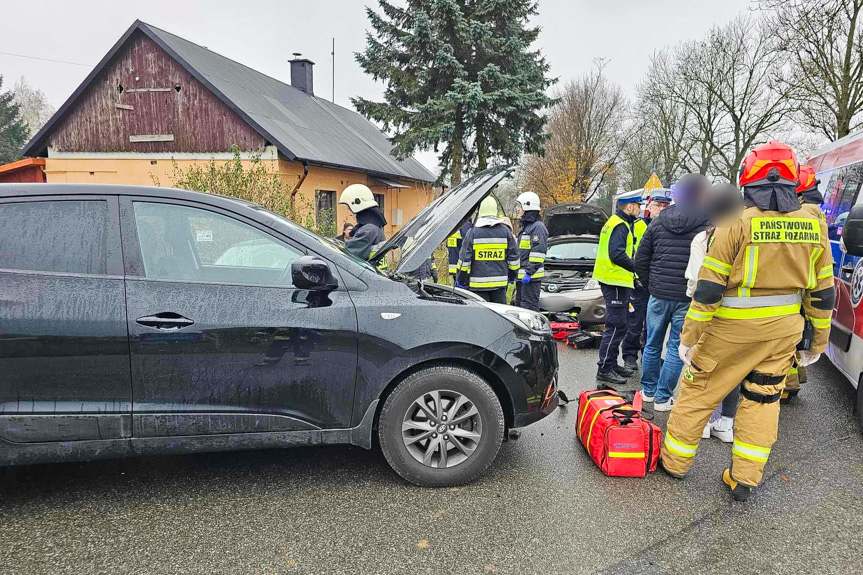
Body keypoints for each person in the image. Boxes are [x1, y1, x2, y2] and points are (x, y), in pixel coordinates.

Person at [661, 141, 834, 502]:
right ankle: (744, 478)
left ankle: (674, 464)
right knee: (762, 400)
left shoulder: (735, 223)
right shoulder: (814, 225)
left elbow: (708, 290)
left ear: (747, 179)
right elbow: (823, 293)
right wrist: (817, 341)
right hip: (782, 333)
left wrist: (688, 337)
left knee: (697, 392)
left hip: (730, 330)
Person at [634, 176, 709, 410]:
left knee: (652, 345)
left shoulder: (658, 222)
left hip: (658, 295)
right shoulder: (707, 223)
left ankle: (648, 391)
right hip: (686, 297)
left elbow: (641, 260)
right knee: (678, 347)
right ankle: (663, 398)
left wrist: (651, 285)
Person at [685, 183, 745, 442]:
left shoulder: (704, 238)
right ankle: (727, 422)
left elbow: (697, 278)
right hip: (741, 315)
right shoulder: (747, 233)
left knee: (703, 367)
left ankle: (705, 422)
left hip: (709, 312)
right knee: (734, 370)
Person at [783, 164, 827, 402]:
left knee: (789, 341)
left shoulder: (803, 213)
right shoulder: (815, 211)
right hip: (806, 284)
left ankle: (786, 384)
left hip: (797, 286)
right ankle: (791, 381)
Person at [592, 192, 643, 385]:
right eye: (638, 205)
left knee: (619, 325)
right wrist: (636, 268)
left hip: (617, 281)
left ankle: (611, 365)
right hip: (613, 281)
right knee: (615, 326)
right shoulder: (620, 225)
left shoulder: (617, 222)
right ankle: (605, 368)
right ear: (629, 206)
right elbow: (617, 255)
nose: (640, 209)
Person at [622, 188, 672, 370]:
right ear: (649, 206)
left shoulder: (669, 226)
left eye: (666, 205)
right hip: (639, 281)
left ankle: (649, 355)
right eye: (658, 205)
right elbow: (631, 254)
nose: (662, 209)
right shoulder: (637, 226)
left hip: (658, 282)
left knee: (654, 325)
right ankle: (629, 356)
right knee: (635, 321)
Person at [456, 197, 519, 304]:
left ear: (479, 211)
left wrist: (461, 279)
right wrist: (512, 276)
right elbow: (514, 259)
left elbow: (464, 261)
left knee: (481, 318)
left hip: (477, 287)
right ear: (495, 210)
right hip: (500, 286)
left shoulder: (472, 233)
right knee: (499, 317)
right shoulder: (506, 232)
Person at [514, 191, 548, 312]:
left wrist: (529, 272)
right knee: (520, 309)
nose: (518, 209)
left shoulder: (537, 227)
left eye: (520, 206)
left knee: (529, 310)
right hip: (523, 277)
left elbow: (538, 253)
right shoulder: (526, 228)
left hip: (531, 278)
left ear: (527, 206)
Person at [339, 184, 387, 267]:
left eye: (349, 209)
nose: (350, 214)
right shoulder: (376, 226)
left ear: (358, 206)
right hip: (376, 274)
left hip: (368, 277)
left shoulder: (367, 231)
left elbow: (346, 257)